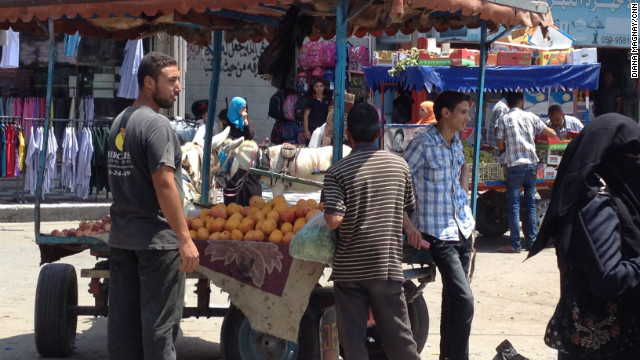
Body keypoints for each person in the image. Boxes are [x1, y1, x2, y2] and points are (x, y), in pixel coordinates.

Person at [106, 52, 199, 359]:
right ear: (148, 82)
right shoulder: (157, 125)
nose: (178, 88)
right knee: (160, 328)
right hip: (156, 244)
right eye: (171, 80)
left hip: (122, 239)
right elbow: (164, 183)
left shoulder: (120, 121)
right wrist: (184, 238)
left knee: (124, 327)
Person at [529, 114, 640, 360]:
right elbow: (608, 278)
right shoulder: (595, 205)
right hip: (605, 346)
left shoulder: (622, 201)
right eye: (634, 157)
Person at [323, 102, 422, 360]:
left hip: (350, 270)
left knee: (353, 342)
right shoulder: (399, 167)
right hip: (386, 266)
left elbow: (333, 219)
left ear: (348, 135)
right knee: (399, 337)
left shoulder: (337, 171)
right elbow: (406, 209)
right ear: (379, 133)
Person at [404, 91, 475, 360]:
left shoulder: (456, 143)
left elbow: (461, 176)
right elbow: (398, 183)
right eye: (463, 112)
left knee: (454, 301)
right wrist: (409, 225)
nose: (468, 118)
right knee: (464, 300)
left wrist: (464, 201)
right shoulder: (422, 143)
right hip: (437, 234)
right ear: (446, 113)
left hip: (463, 230)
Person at [496, 92, 556, 253]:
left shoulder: (504, 119)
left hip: (515, 165)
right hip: (531, 165)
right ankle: (532, 242)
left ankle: (515, 245)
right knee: (530, 203)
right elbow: (552, 133)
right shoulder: (531, 116)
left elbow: (500, 146)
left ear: (508, 104)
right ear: (521, 102)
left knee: (514, 205)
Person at [303, 77, 331, 145]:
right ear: (314, 88)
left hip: (324, 129)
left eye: (321, 86)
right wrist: (306, 130)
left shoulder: (327, 99)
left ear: (324, 87)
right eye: (317, 86)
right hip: (312, 128)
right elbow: (306, 116)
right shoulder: (310, 100)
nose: (319, 88)